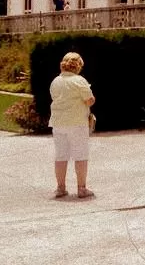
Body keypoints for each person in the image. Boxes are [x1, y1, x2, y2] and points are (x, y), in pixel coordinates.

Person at [49, 52, 96, 199]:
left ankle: (60, 187)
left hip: (58, 123)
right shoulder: (79, 80)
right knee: (80, 155)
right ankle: (81, 188)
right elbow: (89, 100)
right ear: (78, 66)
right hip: (77, 122)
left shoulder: (55, 81)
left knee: (61, 156)